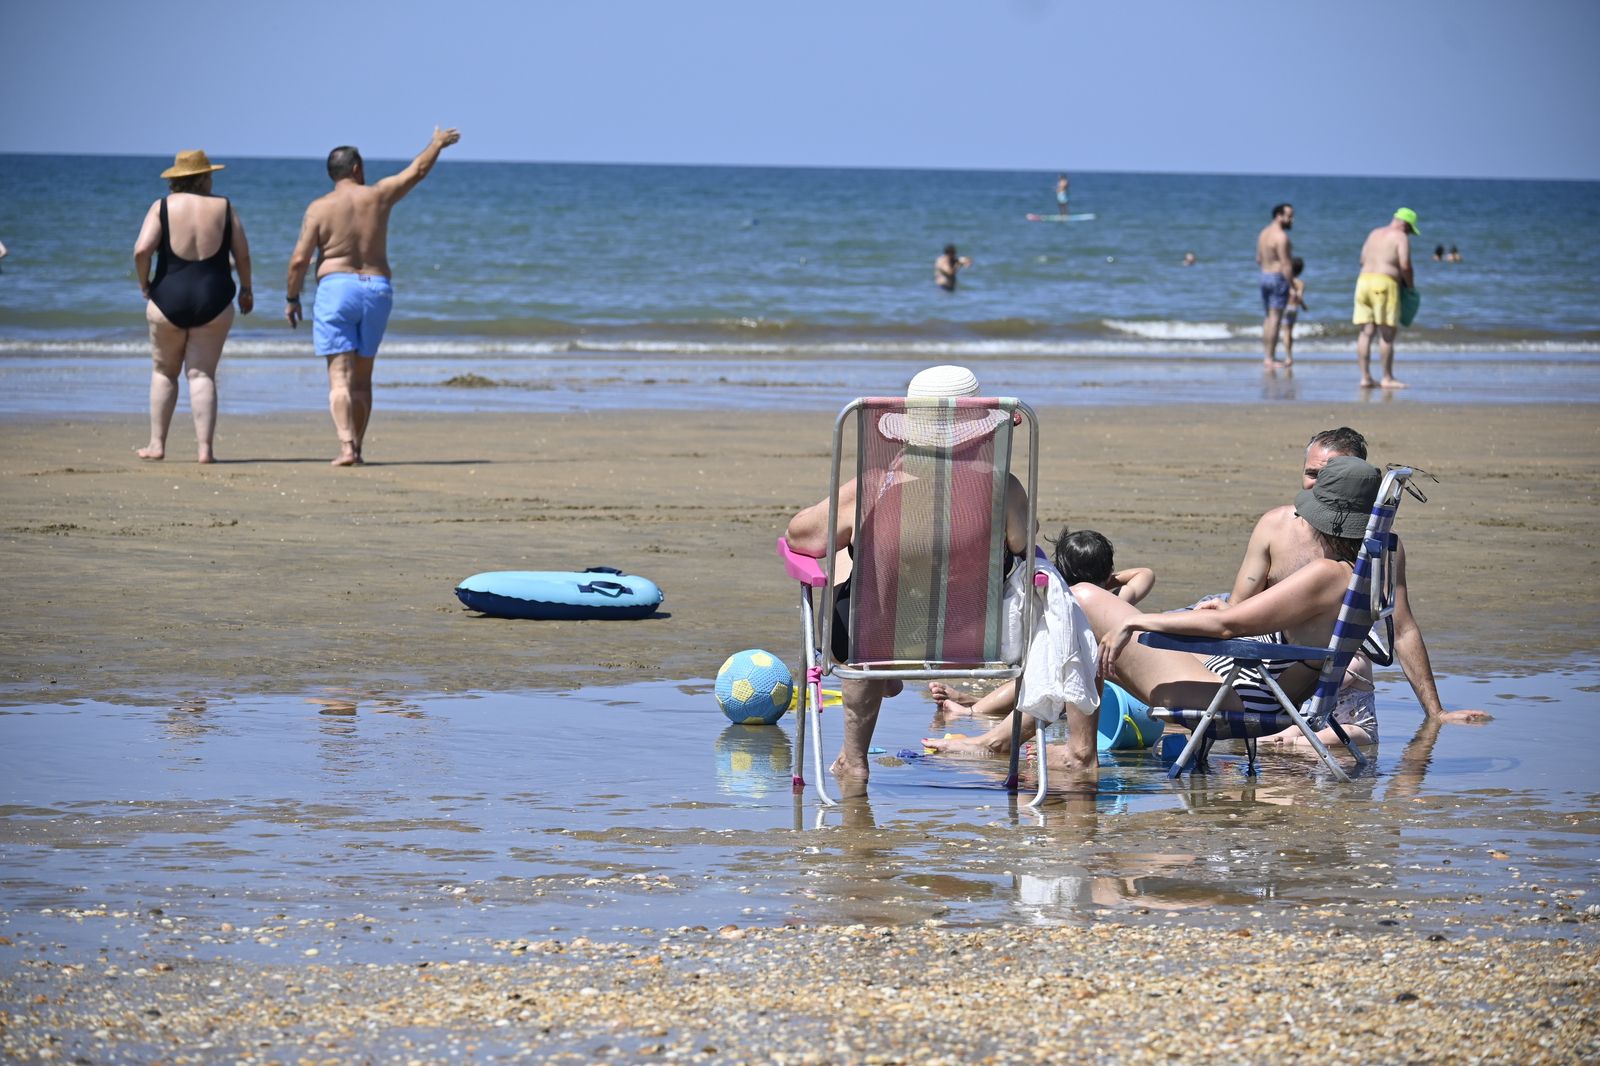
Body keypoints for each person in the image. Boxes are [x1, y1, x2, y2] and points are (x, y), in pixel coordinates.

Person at [785, 365, 1032, 788]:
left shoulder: (875, 484)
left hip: (882, 637)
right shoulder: (1002, 487)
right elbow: (1024, 546)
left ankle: (856, 759)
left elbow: (803, 538)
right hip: (972, 637)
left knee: (851, 567)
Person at [1223, 426, 1491, 741]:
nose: (1318, 485)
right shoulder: (1275, 526)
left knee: (1356, 667)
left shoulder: (1380, 548)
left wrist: (1436, 713)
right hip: (1272, 653)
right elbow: (1237, 609)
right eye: (1311, 474)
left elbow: (1402, 630)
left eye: (1333, 476)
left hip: (1336, 662)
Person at [285, 127, 461, 466]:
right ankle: (359, 448)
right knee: (363, 379)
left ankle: (345, 447)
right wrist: (437, 144)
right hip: (377, 290)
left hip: (336, 288)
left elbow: (298, 261)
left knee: (340, 376)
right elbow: (417, 171)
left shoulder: (319, 209)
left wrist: (292, 298)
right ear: (356, 169)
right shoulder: (378, 196)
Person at [925, 526, 1153, 725]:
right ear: (1108, 569)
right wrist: (1111, 580)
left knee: (1036, 678)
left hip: (1081, 678)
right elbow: (1145, 574)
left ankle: (973, 711)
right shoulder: (1113, 603)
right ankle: (976, 704)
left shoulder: (1064, 603)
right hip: (1111, 680)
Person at [132, 150, 253, 464]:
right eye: (210, 175)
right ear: (201, 177)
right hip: (213, 299)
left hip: (167, 297)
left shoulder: (161, 207)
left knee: (163, 372)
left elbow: (142, 249)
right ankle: (205, 451)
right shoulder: (224, 207)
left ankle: (157, 445)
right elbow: (242, 255)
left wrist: (144, 283)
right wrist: (247, 289)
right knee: (202, 376)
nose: (212, 180)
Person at [1353, 207, 1418, 390]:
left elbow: (1362, 259)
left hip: (1363, 281)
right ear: (1404, 224)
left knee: (1366, 332)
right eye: (1410, 230)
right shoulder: (1400, 237)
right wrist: (1410, 287)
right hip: (1384, 283)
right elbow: (1405, 265)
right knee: (1387, 333)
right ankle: (1387, 378)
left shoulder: (1374, 233)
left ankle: (1365, 378)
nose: (1409, 234)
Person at [1256, 203, 1294, 368]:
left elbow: (1258, 258)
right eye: (1289, 216)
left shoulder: (1263, 233)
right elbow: (1286, 264)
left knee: (1268, 318)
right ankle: (1270, 359)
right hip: (1277, 278)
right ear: (1279, 216)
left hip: (1264, 276)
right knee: (1275, 320)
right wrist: (1292, 285)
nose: (1291, 219)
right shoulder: (1281, 237)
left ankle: (1267, 356)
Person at [1280, 257, 1308, 367]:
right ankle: (1289, 356)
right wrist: (1304, 306)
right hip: (1294, 308)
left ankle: (1288, 357)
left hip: (1285, 308)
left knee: (1285, 333)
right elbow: (1299, 297)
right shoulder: (1300, 283)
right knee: (1289, 333)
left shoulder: (1285, 280)